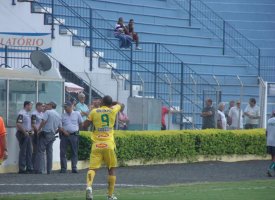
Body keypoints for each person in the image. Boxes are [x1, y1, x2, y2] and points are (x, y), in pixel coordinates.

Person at [83, 95, 121, 200]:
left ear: (102, 102)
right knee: (111, 169)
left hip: (96, 144)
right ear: (110, 103)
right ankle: (110, 196)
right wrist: (113, 103)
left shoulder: (94, 111)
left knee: (92, 168)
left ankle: (89, 187)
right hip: (108, 144)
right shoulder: (113, 110)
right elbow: (121, 105)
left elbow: (84, 125)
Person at [36, 101, 61, 174]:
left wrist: (38, 130)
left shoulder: (47, 112)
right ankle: (49, 170)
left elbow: (43, 121)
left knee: (40, 151)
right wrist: (54, 132)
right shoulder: (58, 114)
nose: (46, 106)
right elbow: (60, 127)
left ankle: (41, 170)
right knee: (49, 152)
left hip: (46, 133)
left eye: (47, 105)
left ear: (51, 105)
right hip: (52, 134)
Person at [59, 101, 83, 173]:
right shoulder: (62, 115)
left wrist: (78, 131)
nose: (65, 108)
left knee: (74, 152)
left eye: (66, 107)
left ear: (70, 107)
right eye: (64, 107)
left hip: (74, 135)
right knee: (63, 152)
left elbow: (81, 123)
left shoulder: (77, 114)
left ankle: (74, 167)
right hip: (64, 136)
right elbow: (60, 126)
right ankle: (63, 168)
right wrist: (64, 131)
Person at [16, 101, 34, 174]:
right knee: (23, 151)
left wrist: (30, 132)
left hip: (27, 134)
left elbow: (29, 125)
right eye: (30, 105)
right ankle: (22, 168)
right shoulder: (21, 113)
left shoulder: (28, 114)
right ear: (26, 105)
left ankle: (29, 167)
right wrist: (25, 133)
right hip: (22, 134)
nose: (31, 107)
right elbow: (18, 124)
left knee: (29, 151)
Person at [31, 102, 45, 172]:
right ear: (38, 107)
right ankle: (33, 166)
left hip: (41, 133)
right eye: (42, 106)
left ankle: (37, 165)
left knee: (39, 150)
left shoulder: (42, 114)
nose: (43, 107)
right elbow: (33, 124)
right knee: (35, 150)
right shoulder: (34, 114)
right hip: (36, 133)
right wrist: (37, 131)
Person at [266, 111, 275, 177]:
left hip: (269, 141)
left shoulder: (269, 121)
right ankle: (269, 169)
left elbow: (266, 132)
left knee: (273, 158)